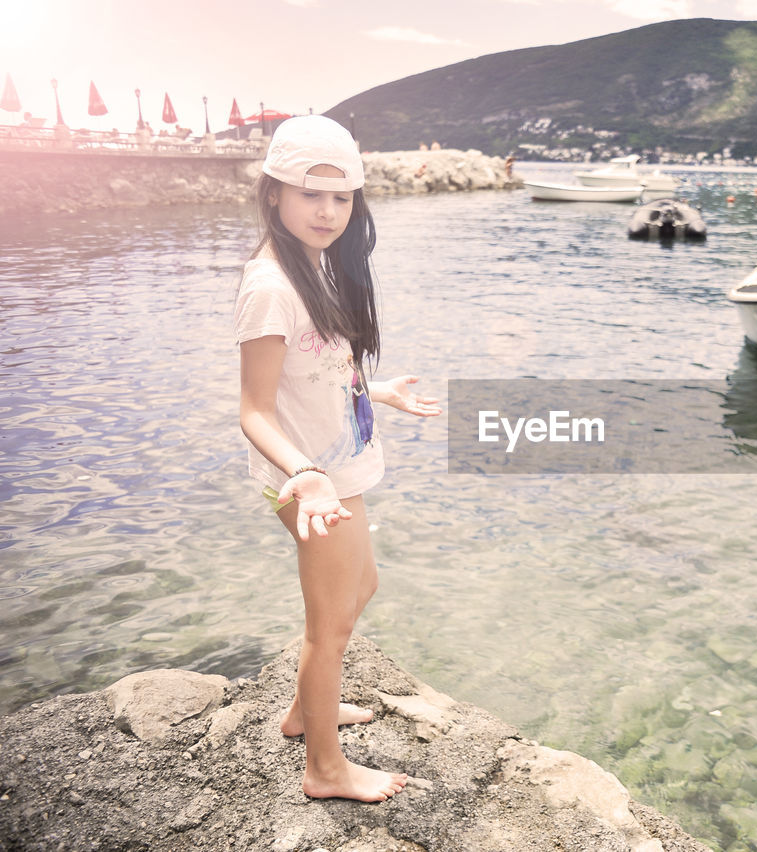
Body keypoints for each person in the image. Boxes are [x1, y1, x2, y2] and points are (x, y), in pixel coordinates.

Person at [234, 115, 440, 802]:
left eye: (342, 198)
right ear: (273, 195)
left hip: (335, 474)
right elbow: (254, 410)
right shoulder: (270, 285)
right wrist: (306, 475)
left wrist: (375, 391)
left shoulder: (315, 267)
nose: (328, 213)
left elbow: (320, 369)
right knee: (330, 627)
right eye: (309, 194)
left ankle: (303, 714)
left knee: (358, 594)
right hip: (310, 481)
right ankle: (324, 768)